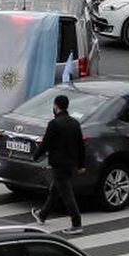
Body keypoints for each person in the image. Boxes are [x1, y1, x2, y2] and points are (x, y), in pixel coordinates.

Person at [31, 93, 86, 235]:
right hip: (71, 163)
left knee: (66, 194)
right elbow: (81, 145)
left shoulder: (54, 124)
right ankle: (42, 214)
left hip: (59, 163)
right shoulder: (74, 123)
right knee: (56, 190)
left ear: (56, 106)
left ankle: (76, 223)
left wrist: (35, 157)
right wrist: (81, 165)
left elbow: (45, 144)